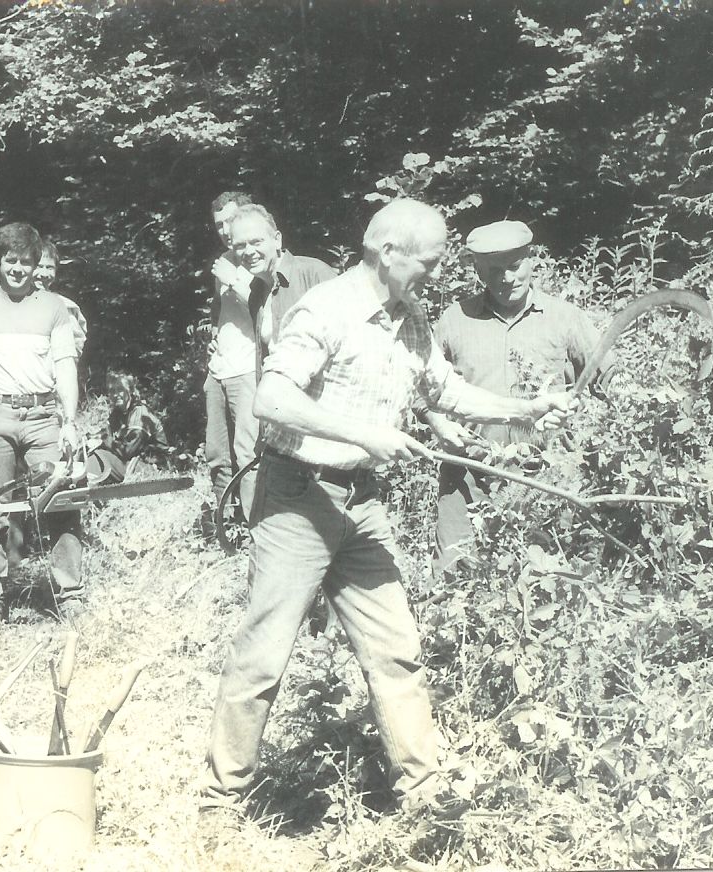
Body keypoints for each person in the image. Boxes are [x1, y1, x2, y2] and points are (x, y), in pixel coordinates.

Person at [198, 199, 575, 840]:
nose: (437, 271)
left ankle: (424, 797)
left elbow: (443, 390)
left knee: (397, 650)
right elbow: (271, 397)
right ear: (388, 252)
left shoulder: (409, 318)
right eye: (429, 262)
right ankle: (220, 796)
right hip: (297, 498)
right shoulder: (327, 309)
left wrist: (527, 407)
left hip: (362, 503)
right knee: (264, 653)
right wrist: (364, 432)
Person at [424, 219, 610, 576]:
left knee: (552, 574)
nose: (507, 279)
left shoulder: (565, 318)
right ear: (477, 270)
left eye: (514, 266)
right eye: (494, 270)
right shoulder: (453, 320)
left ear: (530, 260)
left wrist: (582, 412)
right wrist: (439, 423)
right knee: (454, 575)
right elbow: (422, 389)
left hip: (548, 472)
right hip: (468, 472)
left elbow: (608, 376)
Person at [0, 222, 83, 627]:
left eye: (25, 262)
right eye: (10, 260)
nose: (17, 269)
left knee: (62, 501)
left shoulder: (54, 307)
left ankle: (70, 594)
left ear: (36, 265)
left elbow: (65, 364)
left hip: (44, 416)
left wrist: (69, 420)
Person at [203, 192, 260, 523]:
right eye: (219, 224)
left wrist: (234, 279)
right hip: (219, 369)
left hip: (247, 370)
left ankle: (256, 533)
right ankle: (225, 525)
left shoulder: (258, 259)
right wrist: (213, 335)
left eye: (231, 221)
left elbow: (265, 309)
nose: (225, 230)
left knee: (248, 455)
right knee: (217, 455)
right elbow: (219, 309)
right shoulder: (224, 261)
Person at [225, 203, 337, 372]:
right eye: (240, 246)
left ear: (277, 240)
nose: (248, 252)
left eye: (256, 242)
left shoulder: (313, 274)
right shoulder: (256, 292)